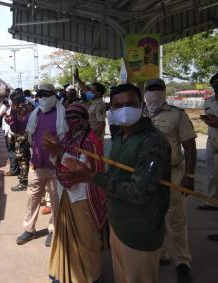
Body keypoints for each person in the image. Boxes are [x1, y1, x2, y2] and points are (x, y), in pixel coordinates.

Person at [61, 83, 171, 283]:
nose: (124, 109)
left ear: (142, 105)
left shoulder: (152, 141)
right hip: (119, 228)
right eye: (118, 106)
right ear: (111, 110)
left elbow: (140, 191)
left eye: (130, 103)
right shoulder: (120, 136)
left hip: (140, 232)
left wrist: (92, 177)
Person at [43, 103, 107, 283]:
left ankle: (89, 276)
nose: (71, 122)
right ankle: (63, 273)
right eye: (68, 118)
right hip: (66, 194)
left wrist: (59, 153)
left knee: (86, 239)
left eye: (75, 118)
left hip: (85, 195)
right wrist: (53, 149)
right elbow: (56, 160)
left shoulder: (92, 141)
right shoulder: (66, 139)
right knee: (64, 236)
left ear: (84, 120)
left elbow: (82, 169)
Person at [145, 78, 196, 283]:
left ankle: (182, 263)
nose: (154, 93)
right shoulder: (140, 115)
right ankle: (162, 253)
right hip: (148, 175)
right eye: (151, 89)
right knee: (153, 216)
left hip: (173, 174)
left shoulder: (177, 115)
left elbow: (190, 147)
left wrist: (190, 176)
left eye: (158, 89)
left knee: (176, 220)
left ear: (165, 92)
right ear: (145, 92)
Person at [15, 83, 68, 247]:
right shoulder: (35, 114)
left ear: (54, 95)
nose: (43, 97)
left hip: (55, 165)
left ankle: (53, 230)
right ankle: (29, 229)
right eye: (40, 94)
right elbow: (25, 132)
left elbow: (65, 139)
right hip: (37, 164)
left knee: (55, 199)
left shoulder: (62, 114)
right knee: (32, 197)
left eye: (46, 93)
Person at [200, 72, 218, 242]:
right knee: (211, 173)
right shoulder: (209, 101)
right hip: (212, 140)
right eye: (214, 84)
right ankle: (212, 201)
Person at [6, 95, 34, 191]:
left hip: (22, 137)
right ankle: (26, 180)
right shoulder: (29, 109)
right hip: (26, 136)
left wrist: (12, 112)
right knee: (26, 160)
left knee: (22, 160)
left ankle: (23, 183)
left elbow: (15, 127)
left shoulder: (21, 110)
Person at [76, 71, 106, 139]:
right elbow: (85, 89)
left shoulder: (99, 105)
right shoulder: (93, 101)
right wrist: (78, 79)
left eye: (92, 91)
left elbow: (102, 124)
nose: (89, 93)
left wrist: (94, 139)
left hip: (95, 136)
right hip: (89, 134)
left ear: (99, 94)